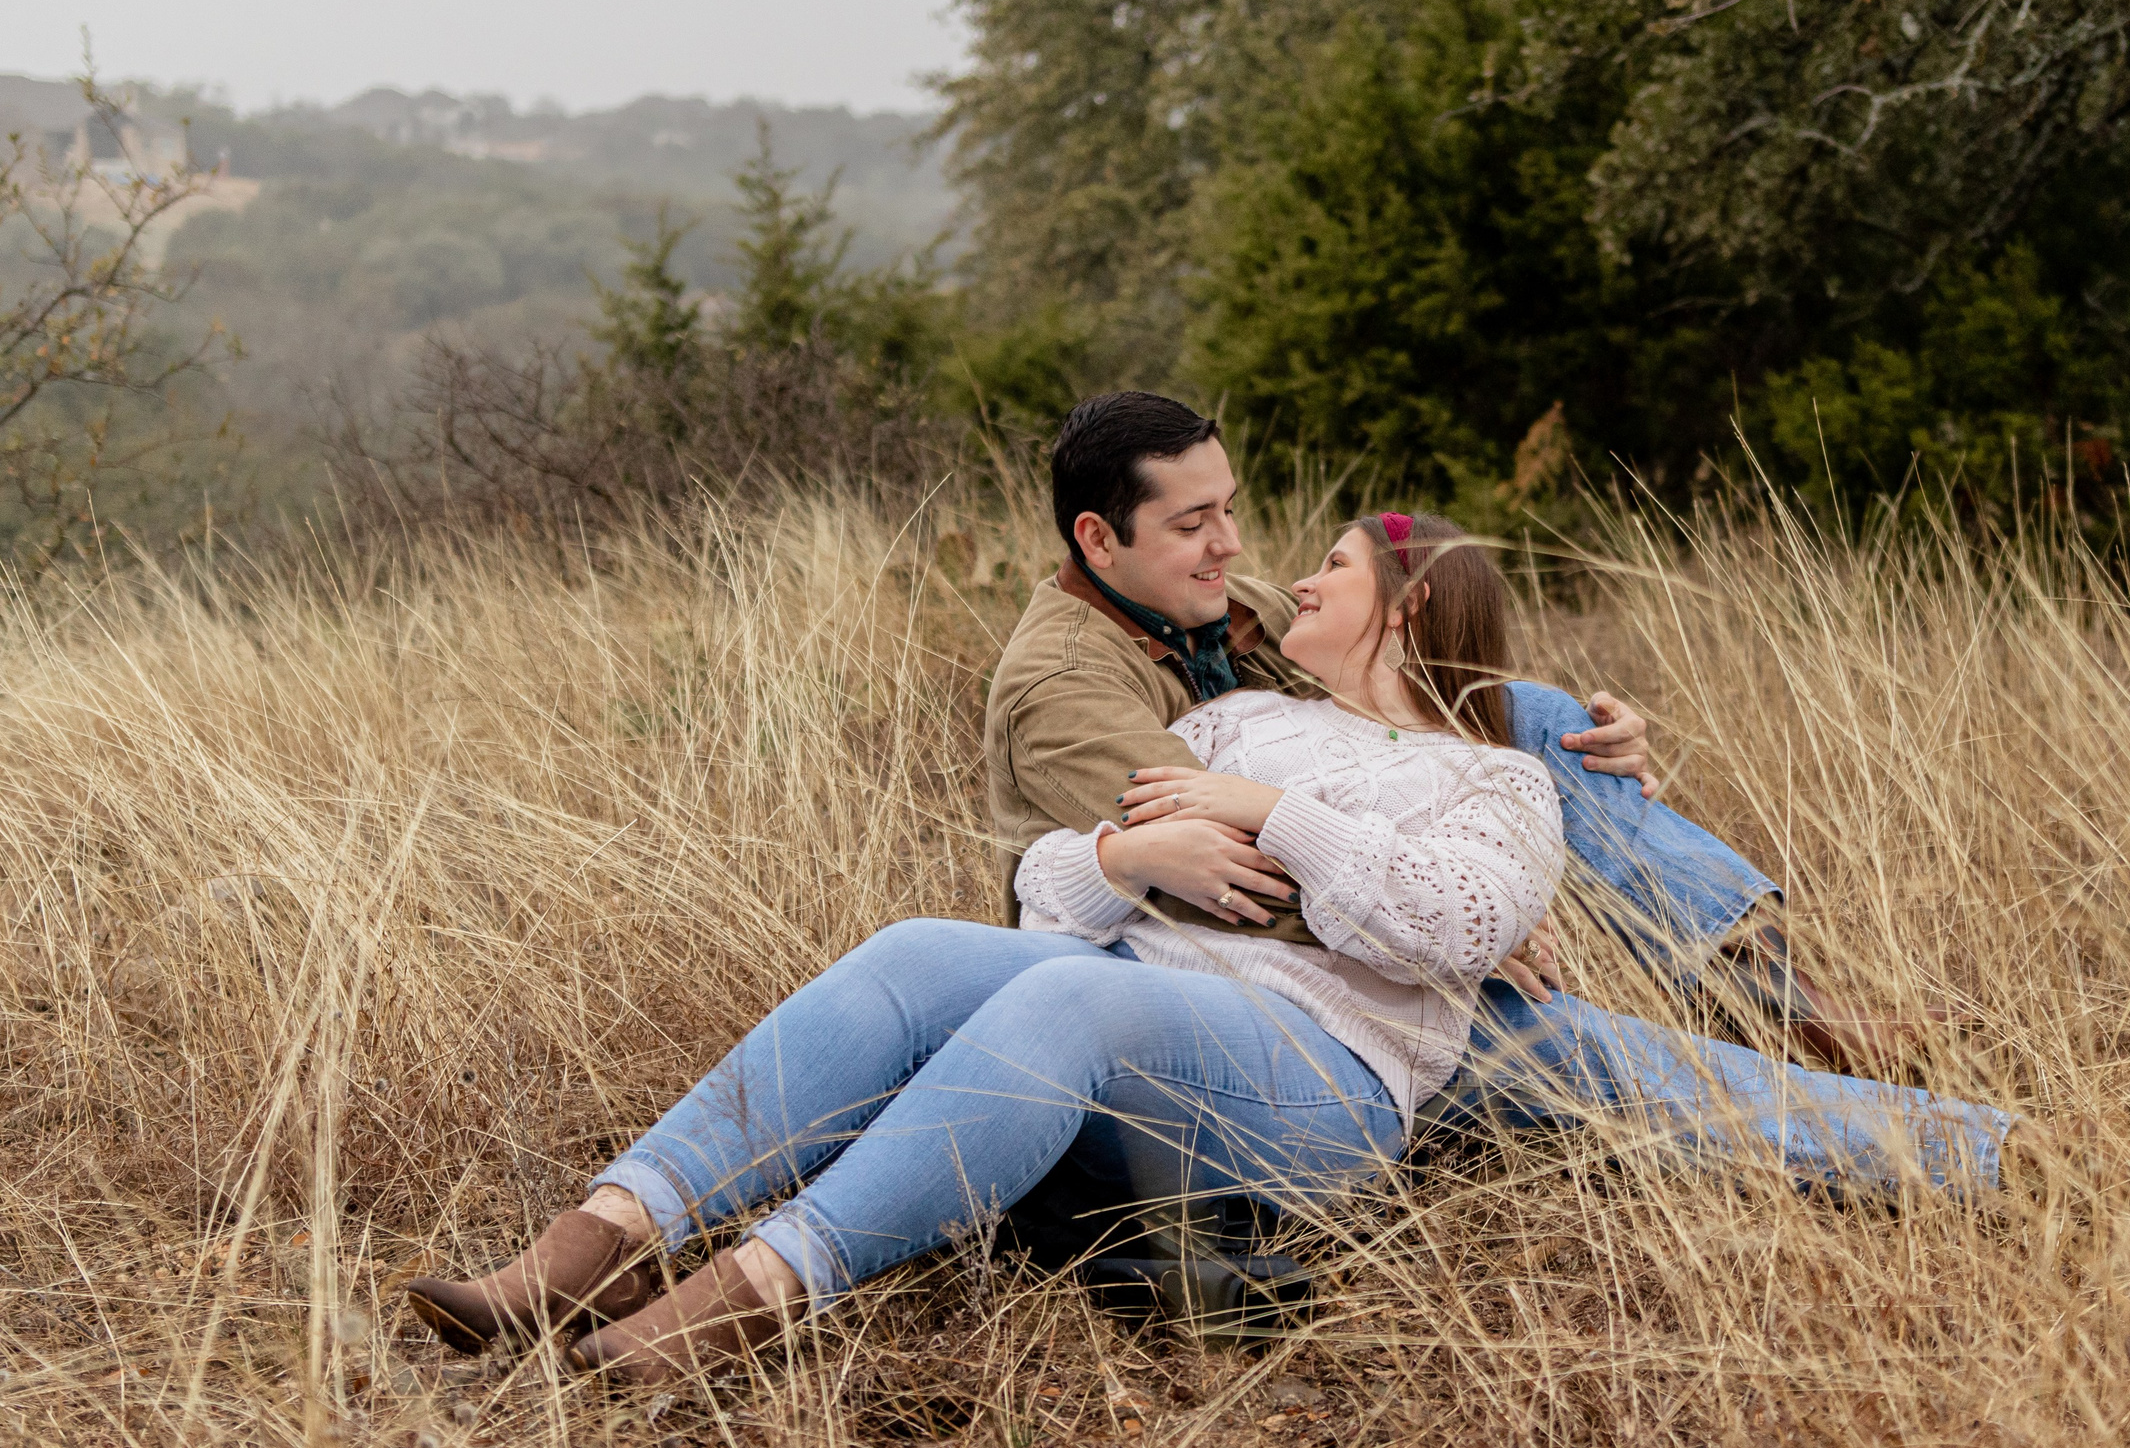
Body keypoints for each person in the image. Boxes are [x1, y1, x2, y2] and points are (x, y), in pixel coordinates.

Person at [402, 512, 2029, 1387]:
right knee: (932, 947)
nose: (1278, 569)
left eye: (1326, 563)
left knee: (1666, 1086)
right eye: (1243, 537)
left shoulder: (1491, 772)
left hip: (1329, 1079)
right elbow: (1056, 895)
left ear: (1396, 613)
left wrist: (1280, 821)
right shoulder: (1224, 702)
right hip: (1161, 1007)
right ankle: (595, 1244)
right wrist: (1135, 848)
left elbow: (1449, 921)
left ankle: (751, 1298)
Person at [986, 391, 1925, 1076]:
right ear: (1098, 540)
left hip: (1355, 905)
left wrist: (1591, 748)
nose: (1232, 544)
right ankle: (1870, 1117)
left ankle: (1772, 997)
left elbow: (1413, 685)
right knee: (1598, 1059)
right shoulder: (1063, 682)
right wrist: (1457, 925)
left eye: (1228, 507)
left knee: (1546, 719)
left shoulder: (1215, 603)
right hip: (1228, 974)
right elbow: (1216, 866)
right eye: (1194, 523)